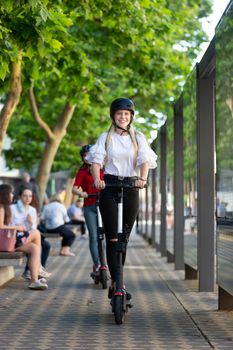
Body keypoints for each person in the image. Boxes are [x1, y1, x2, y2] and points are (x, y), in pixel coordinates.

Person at [86, 98, 157, 300]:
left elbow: (145, 160)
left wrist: (142, 179)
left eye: (126, 114)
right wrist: (96, 180)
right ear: (113, 116)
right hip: (109, 186)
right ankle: (118, 282)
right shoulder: (105, 137)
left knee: (124, 238)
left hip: (131, 185)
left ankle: (118, 279)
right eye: (119, 114)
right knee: (112, 237)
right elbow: (96, 161)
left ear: (131, 117)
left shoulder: (138, 137)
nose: (123, 117)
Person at [0, 184, 48, 290]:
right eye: (10, 193)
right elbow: (0, 226)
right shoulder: (2, 207)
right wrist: (16, 227)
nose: (12, 195)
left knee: (35, 248)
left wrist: (29, 224)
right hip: (5, 242)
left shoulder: (8, 207)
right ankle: (38, 268)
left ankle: (34, 281)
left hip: (9, 241)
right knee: (36, 233)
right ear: (5, 194)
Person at [72, 144, 104, 279]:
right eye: (85, 155)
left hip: (104, 206)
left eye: (90, 154)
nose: (87, 157)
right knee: (93, 236)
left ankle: (106, 263)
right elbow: (75, 188)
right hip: (89, 206)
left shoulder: (104, 169)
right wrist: (81, 193)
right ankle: (97, 264)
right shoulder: (82, 172)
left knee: (104, 237)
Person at [11, 185, 51, 280]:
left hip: (27, 236)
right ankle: (38, 268)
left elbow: (32, 228)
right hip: (15, 237)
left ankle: (33, 271)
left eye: (30, 196)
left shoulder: (32, 210)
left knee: (43, 244)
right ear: (20, 196)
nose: (28, 198)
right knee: (39, 239)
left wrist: (29, 222)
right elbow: (10, 224)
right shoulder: (13, 208)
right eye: (25, 195)